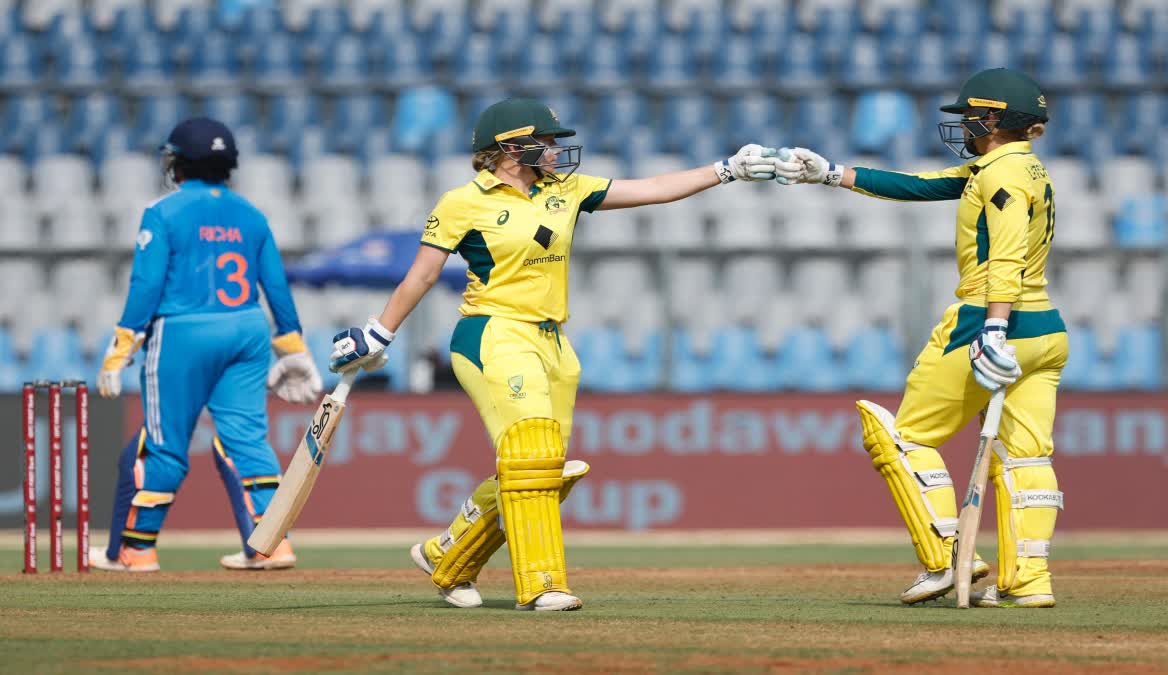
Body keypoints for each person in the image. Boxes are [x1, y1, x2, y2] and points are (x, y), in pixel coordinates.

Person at [329, 97, 777, 611]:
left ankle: (447, 554)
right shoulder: (462, 202)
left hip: (553, 342)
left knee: (544, 471)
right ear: (508, 148)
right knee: (531, 459)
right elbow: (423, 275)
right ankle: (542, 584)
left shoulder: (565, 191)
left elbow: (652, 190)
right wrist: (378, 334)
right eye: (544, 141)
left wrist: (726, 170)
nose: (555, 150)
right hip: (493, 334)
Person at [775, 68, 1066, 608]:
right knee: (1027, 456)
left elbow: (1003, 259)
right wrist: (831, 173)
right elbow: (920, 185)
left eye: (971, 115)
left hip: (989, 319)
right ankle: (1029, 581)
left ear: (996, 117)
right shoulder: (1021, 167)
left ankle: (945, 558)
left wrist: (995, 327)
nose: (964, 125)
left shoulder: (1000, 176)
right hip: (1046, 329)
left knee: (904, 437)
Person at [91, 118, 324, 572]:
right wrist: (294, 348)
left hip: (183, 333)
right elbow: (275, 286)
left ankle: (136, 550)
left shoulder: (163, 213)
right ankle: (272, 544)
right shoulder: (251, 214)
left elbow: (146, 283)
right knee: (247, 441)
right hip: (246, 331)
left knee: (164, 445)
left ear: (180, 163)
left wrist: (121, 346)